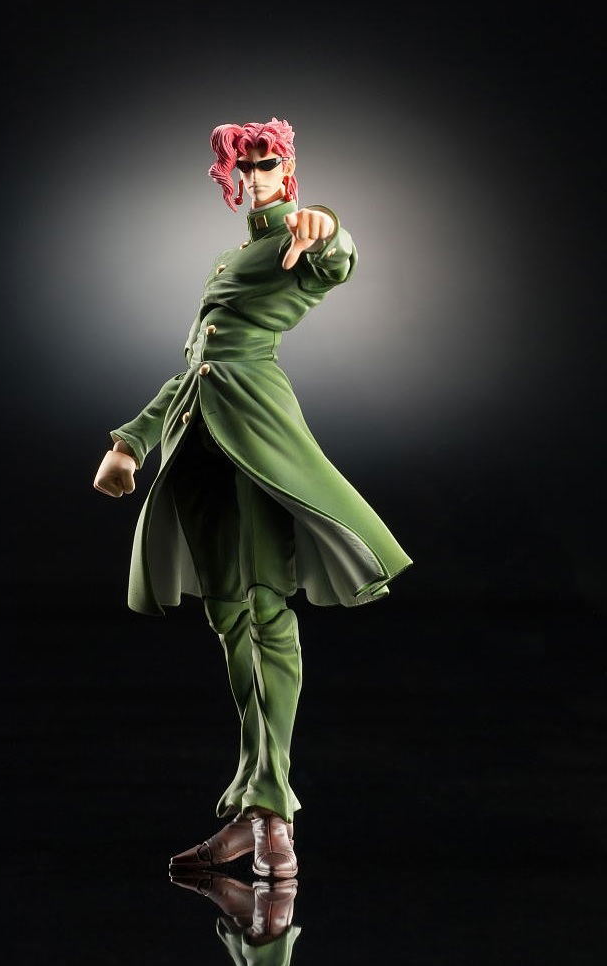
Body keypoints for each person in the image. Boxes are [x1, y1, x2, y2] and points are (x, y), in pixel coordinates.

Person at [93, 117, 413, 877]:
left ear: (287, 169)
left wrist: (326, 223)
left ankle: (273, 816)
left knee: (267, 614)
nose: (257, 176)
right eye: (245, 167)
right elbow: (196, 367)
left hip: (253, 438)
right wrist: (131, 441)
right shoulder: (232, 257)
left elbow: (334, 260)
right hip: (198, 447)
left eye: (268, 164)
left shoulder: (292, 242)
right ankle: (253, 812)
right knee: (229, 617)